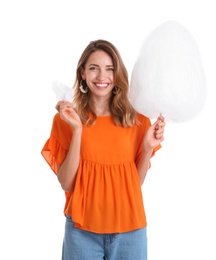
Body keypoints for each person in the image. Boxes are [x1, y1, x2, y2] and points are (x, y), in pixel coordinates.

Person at [41, 39, 165, 260]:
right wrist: (78, 131)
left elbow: (132, 186)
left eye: (109, 69)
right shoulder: (65, 121)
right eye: (93, 68)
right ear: (82, 73)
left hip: (131, 230)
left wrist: (146, 148)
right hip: (81, 232)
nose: (102, 77)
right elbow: (67, 183)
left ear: (117, 75)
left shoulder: (137, 121)